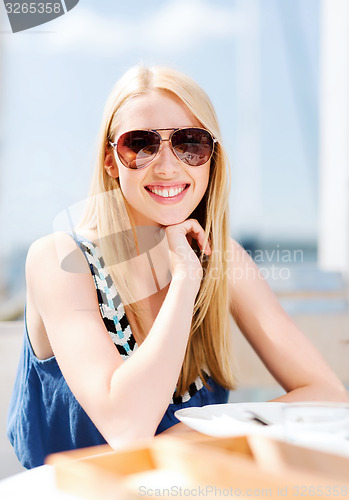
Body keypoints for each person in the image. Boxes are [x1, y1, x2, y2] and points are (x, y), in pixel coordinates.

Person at [7, 65, 349, 469]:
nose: (168, 167)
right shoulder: (60, 261)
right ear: (111, 161)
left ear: (211, 158)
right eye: (141, 145)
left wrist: (194, 433)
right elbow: (128, 428)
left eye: (190, 144)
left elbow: (326, 392)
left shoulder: (222, 258)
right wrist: (186, 278)